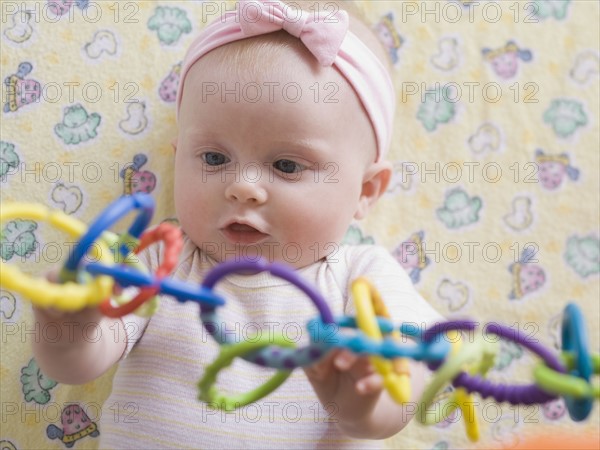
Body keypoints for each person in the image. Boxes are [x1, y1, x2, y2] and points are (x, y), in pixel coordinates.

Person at [32, 1, 444, 448]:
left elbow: (413, 374)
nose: (243, 187)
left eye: (286, 165)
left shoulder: (361, 279)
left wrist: (365, 403)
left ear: (366, 191)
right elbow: (78, 366)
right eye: (214, 158)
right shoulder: (160, 260)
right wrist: (68, 329)